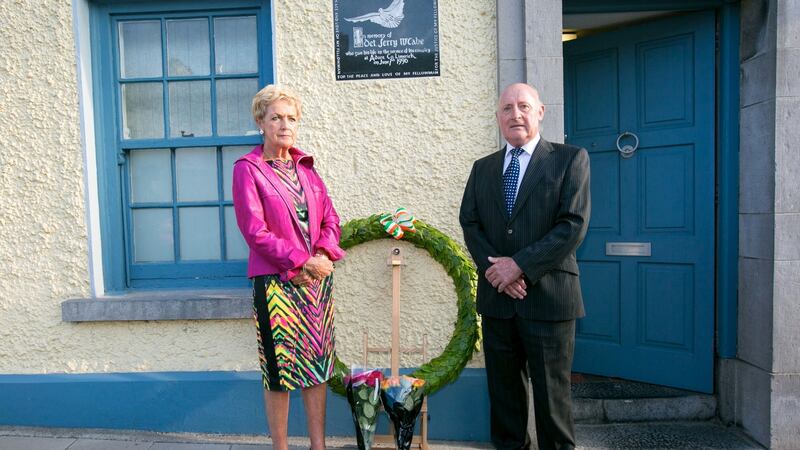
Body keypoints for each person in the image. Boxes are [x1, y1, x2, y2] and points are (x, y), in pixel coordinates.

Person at [459, 83, 591, 450]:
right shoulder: (482, 168)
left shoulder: (570, 159)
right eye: (506, 108)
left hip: (549, 299)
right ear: (498, 117)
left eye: (523, 106)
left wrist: (518, 266)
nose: (515, 114)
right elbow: (470, 223)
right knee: (505, 403)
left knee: (553, 403)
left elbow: (572, 226)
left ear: (540, 112)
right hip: (499, 303)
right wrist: (499, 275)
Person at [232, 84, 345, 450]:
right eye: (276, 117)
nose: (284, 124)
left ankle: (318, 446)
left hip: (315, 283)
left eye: (291, 118)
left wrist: (325, 254)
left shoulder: (307, 169)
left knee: (317, 366)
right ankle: (280, 447)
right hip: (275, 283)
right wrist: (302, 260)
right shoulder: (248, 169)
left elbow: (331, 218)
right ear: (260, 123)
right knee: (279, 370)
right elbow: (255, 230)